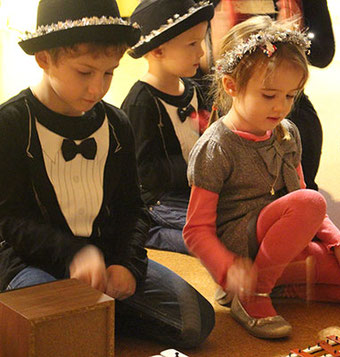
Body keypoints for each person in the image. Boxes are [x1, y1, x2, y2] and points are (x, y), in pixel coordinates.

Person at [0, 0, 214, 348]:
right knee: (70, 334)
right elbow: (10, 219)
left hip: (103, 255)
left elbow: (133, 206)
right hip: (31, 259)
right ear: (44, 59)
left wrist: (126, 263)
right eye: (84, 72)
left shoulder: (116, 124)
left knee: (195, 322)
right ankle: (86, 316)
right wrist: (72, 254)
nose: (97, 88)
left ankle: (99, 312)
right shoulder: (10, 123)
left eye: (109, 72)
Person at [184, 16, 340, 340]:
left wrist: (339, 241)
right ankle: (252, 294)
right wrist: (227, 269)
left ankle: (274, 283)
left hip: (284, 243)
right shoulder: (215, 146)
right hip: (242, 250)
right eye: (269, 95)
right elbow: (196, 230)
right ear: (231, 85)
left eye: (291, 96)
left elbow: (301, 196)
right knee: (310, 202)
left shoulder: (288, 133)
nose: (281, 107)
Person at [195, 0, 336, 190]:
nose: (279, 107)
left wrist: (291, 40)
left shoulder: (290, 126)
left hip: (283, 89)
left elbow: (323, 54)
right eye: (269, 96)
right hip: (213, 92)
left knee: (302, 128)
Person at [121, 0, 214, 254]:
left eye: (201, 41)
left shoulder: (194, 91)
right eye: (192, 44)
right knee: (210, 237)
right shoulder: (142, 102)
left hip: (196, 193)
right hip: (162, 200)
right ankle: (153, 233)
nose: (202, 53)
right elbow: (143, 172)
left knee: (237, 222)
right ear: (158, 51)